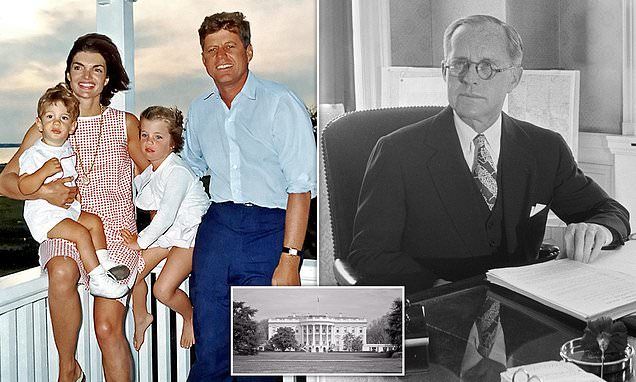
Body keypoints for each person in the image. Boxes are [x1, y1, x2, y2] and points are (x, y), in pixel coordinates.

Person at [348, 15, 630, 293]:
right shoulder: (396, 152)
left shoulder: (545, 148)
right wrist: (439, 287)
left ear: (514, 78)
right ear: (445, 72)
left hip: (524, 312)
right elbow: (369, 255)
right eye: (459, 64)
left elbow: (610, 212)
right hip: (438, 309)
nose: (470, 78)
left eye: (487, 67)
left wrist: (599, 230)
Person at [0, 33, 148, 381]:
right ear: (68, 73)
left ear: (107, 78)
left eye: (97, 69)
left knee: (108, 329)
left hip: (114, 232)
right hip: (66, 221)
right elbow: (6, 182)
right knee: (62, 270)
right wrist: (44, 193)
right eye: (78, 67)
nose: (86, 76)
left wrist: (166, 234)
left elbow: (156, 179)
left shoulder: (126, 124)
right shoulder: (49, 123)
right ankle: (68, 367)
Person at [181, 11, 317, 381]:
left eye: (230, 46)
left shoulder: (280, 102)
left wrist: (291, 258)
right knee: (210, 349)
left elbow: (301, 187)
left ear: (249, 51)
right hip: (217, 231)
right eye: (211, 49)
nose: (221, 56)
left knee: (257, 356)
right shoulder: (200, 109)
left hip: (268, 231)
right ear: (203, 58)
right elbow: (188, 170)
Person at [19, 83, 129, 299]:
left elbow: (68, 179)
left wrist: (74, 191)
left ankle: (104, 263)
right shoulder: (35, 154)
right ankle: (97, 279)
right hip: (45, 217)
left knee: (94, 222)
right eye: (50, 117)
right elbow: (24, 187)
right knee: (80, 233)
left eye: (63, 118)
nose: (56, 123)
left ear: (72, 126)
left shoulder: (66, 148)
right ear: (39, 124)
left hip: (66, 211)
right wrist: (42, 172)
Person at [120, 105, 209, 351]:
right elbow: (145, 201)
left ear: (173, 142)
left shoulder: (177, 171)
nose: (149, 142)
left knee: (162, 289)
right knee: (132, 273)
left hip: (190, 235)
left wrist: (140, 242)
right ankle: (142, 316)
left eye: (158, 137)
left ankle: (189, 315)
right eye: (145, 135)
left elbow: (166, 216)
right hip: (170, 236)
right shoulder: (154, 170)